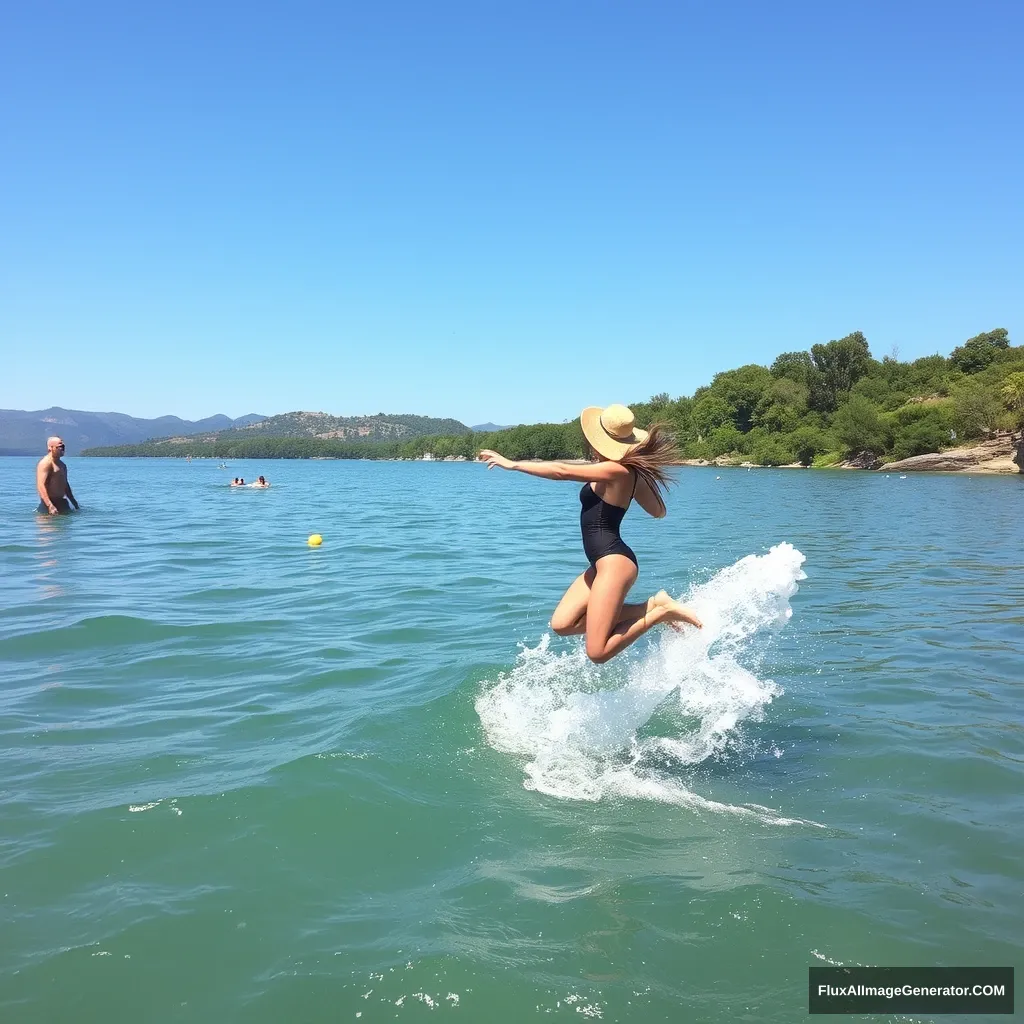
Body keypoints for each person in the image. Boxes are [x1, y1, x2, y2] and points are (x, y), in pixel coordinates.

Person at [477, 403, 701, 664]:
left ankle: (660, 614)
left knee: (597, 652)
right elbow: (659, 511)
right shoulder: (621, 472)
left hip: (614, 563)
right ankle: (651, 605)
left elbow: (561, 471)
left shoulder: (617, 471)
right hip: (601, 563)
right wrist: (639, 482)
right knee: (563, 623)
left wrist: (512, 464)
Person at [36, 437, 80, 515]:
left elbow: (65, 484)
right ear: (50, 448)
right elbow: (40, 485)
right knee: (50, 527)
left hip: (62, 503)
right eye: (59, 447)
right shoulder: (45, 463)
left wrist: (74, 502)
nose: (62, 449)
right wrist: (50, 506)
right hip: (49, 504)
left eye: (63, 447)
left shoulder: (62, 465)